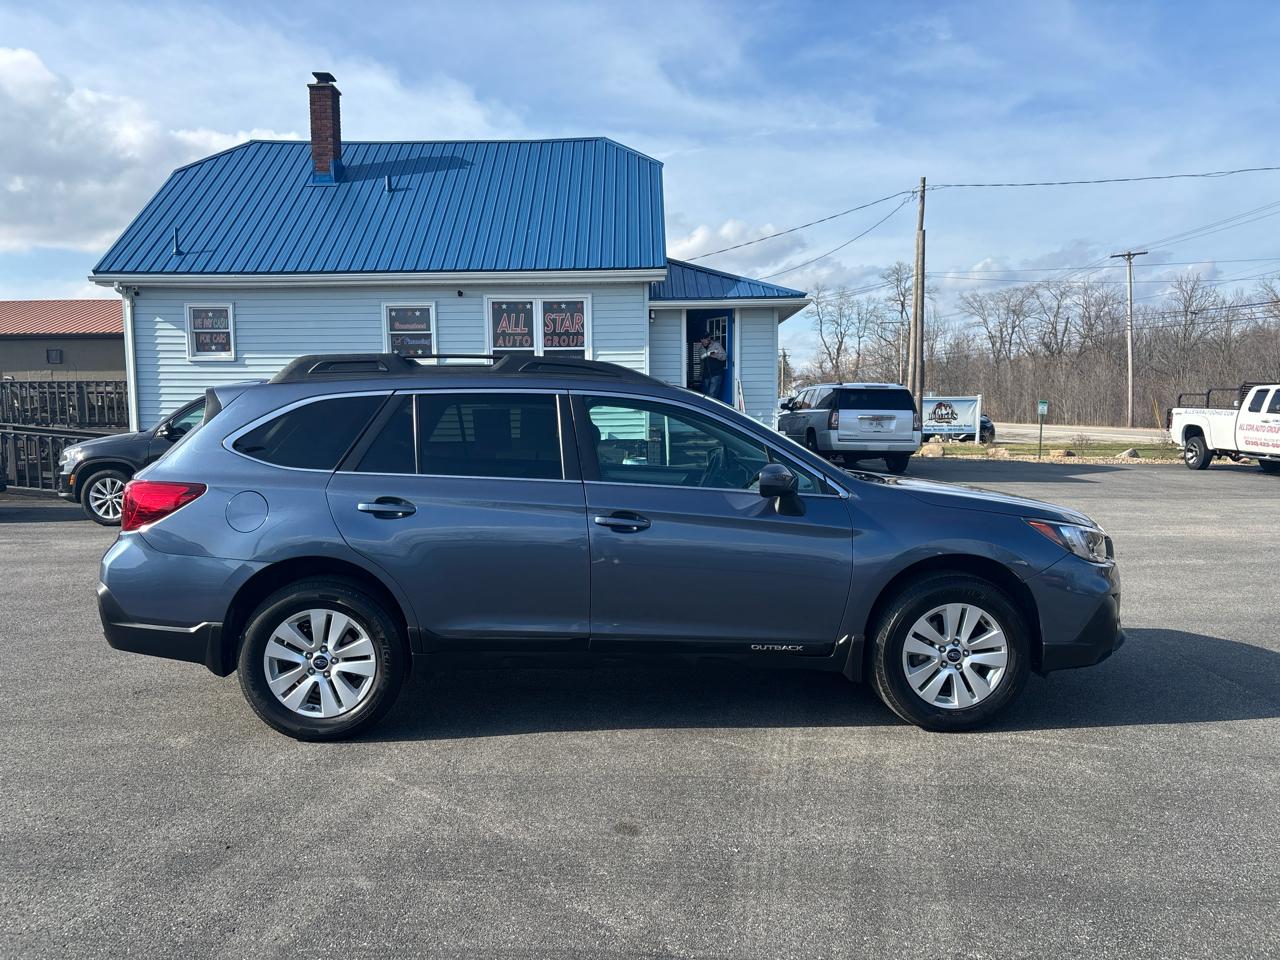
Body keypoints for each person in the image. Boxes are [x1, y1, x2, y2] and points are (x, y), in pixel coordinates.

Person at [699, 333, 727, 400]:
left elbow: (724, 357)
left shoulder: (716, 345)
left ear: (709, 338)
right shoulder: (701, 348)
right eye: (702, 339)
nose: (704, 341)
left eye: (706, 339)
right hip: (706, 374)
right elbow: (702, 363)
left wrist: (716, 356)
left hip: (716, 373)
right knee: (704, 394)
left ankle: (710, 407)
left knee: (712, 394)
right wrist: (700, 374)